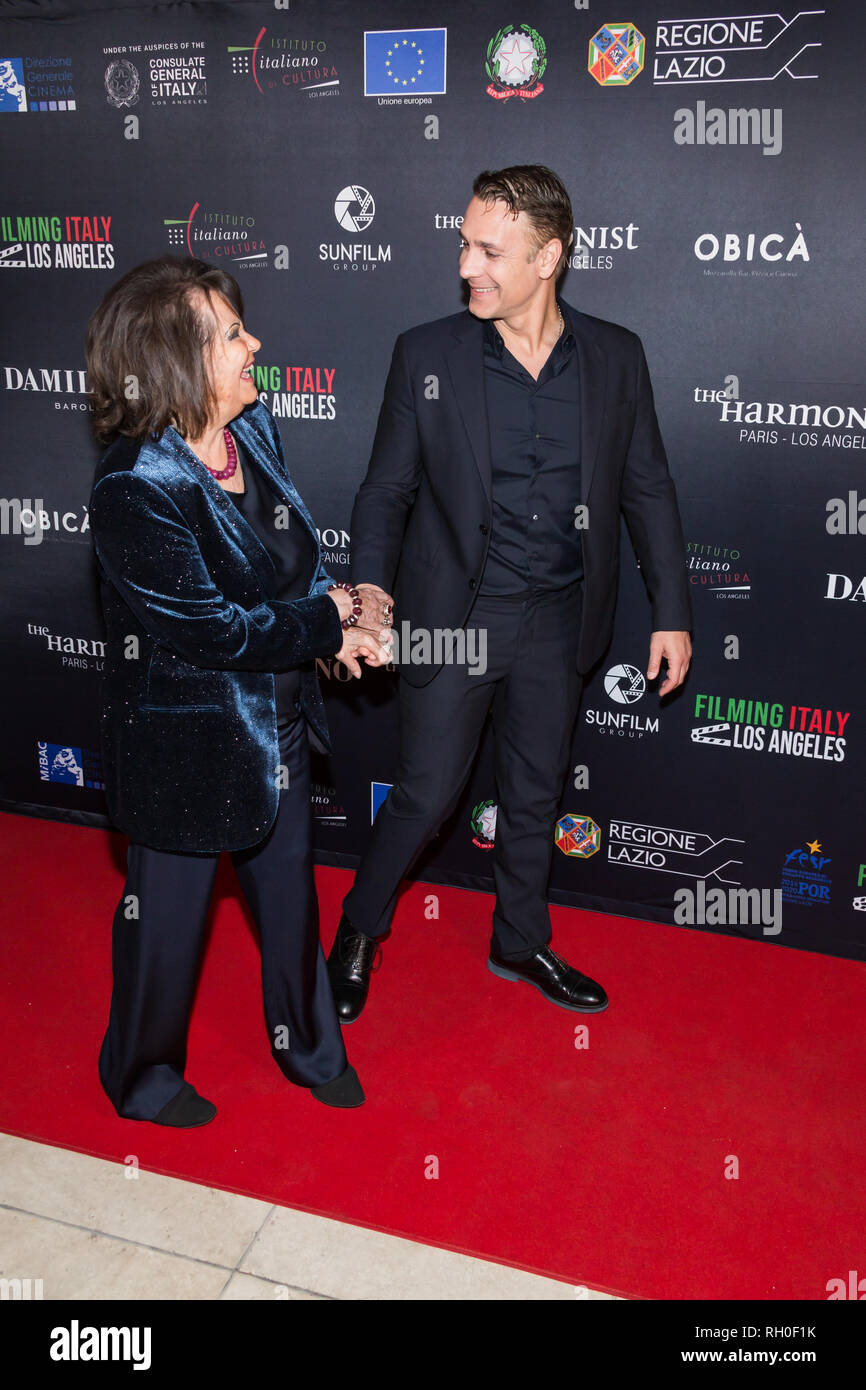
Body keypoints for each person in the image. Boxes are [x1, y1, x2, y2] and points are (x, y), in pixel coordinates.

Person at [327, 165, 693, 1022]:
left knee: (536, 793)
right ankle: (356, 930)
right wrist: (373, 593)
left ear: (549, 257)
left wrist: (672, 610)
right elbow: (385, 491)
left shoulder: (616, 356)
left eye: (489, 249)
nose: (466, 265)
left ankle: (520, 938)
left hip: (561, 618)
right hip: (458, 621)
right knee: (425, 791)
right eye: (463, 243)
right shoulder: (427, 354)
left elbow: (649, 490)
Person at [86, 255, 394, 1124]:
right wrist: (329, 623)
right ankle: (140, 1078)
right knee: (166, 929)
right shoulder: (134, 489)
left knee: (291, 896)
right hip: (183, 747)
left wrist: (347, 621)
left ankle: (309, 1045)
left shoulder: (249, 429)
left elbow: (293, 555)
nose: (254, 342)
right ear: (178, 360)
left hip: (279, 726)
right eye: (230, 334)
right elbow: (218, 632)